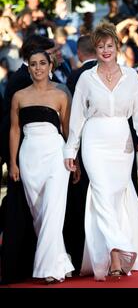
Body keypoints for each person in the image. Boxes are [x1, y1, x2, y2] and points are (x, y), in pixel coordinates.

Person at [64, 22, 138, 281]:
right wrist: (71, 149)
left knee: (115, 195)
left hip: (122, 141)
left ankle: (115, 250)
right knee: (102, 192)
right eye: (101, 46)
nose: (105, 50)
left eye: (110, 46)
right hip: (94, 140)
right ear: (96, 49)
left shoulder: (131, 76)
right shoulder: (86, 78)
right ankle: (117, 253)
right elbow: (77, 117)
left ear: (117, 47)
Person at [9, 49, 75, 284]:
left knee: (52, 211)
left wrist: (73, 159)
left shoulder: (60, 95)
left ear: (50, 66)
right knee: (39, 213)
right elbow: (15, 130)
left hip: (56, 155)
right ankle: (61, 261)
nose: (38, 68)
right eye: (34, 64)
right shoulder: (19, 96)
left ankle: (49, 269)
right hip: (29, 156)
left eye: (42, 63)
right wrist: (13, 162)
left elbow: (68, 131)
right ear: (29, 68)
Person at [63, 35, 97, 273]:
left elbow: (73, 118)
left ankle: (83, 254)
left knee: (82, 201)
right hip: (104, 145)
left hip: (85, 144)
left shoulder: (75, 76)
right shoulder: (115, 70)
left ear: (81, 53)